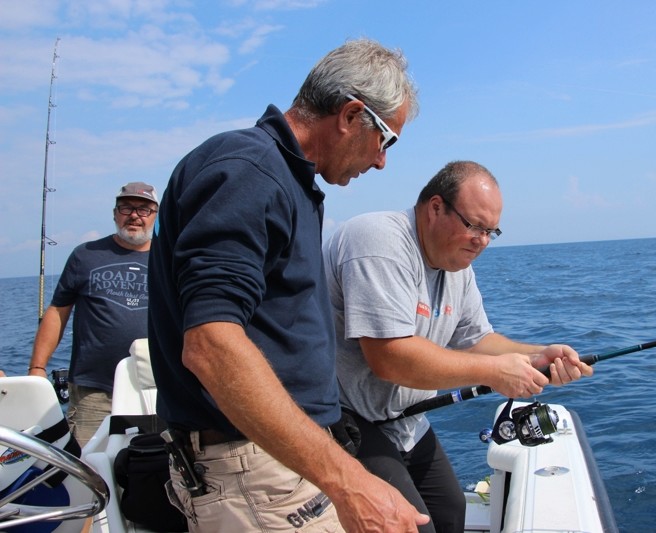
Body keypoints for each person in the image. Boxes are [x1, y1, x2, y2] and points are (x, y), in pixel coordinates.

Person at [148, 38, 429, 532]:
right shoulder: (249, 172)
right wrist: (348, 481)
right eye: (386, 139)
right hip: (254, 474)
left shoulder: (284, 180)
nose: (383, 161)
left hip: (282, 462)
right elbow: (212, 345)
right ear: (349, 115)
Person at [322, 160, 594, 532]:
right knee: (411, 525)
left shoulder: (457, 270)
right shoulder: (377, 240)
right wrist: (494, 373)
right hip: (343, 418)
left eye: (491, 232)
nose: (482, 241)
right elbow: (389, 359)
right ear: (436, 208)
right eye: (474, 226)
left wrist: (537, 356)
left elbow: (477, 340)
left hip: (405, 421)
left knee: (451, 511)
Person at [28, 181, 159, 446]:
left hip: (156, 388)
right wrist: (37, 367)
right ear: (114, 213)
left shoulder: (170, 259)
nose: (135, 215)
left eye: (144, 209)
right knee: (88, 471)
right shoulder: (85, 255)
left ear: (155, 216)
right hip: (93, 391)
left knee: (157, 469)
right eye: (126, 207)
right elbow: (57, 312)